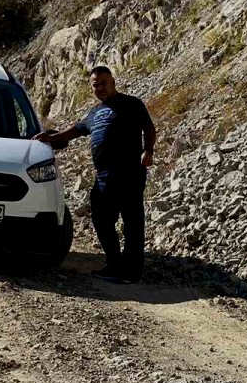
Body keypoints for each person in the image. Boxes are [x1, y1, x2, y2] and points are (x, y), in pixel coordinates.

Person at [34, 66, 156, 283]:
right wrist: (52, 138)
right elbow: (76, 130)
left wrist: (148, 150)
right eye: (95, 84)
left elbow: (148, 127)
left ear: (113, 81)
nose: (100, 87)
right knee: (101, 219)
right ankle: (115, 265)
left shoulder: (131, 104)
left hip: (129, 173)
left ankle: (131, 272)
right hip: (104, 176)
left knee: (132, 221)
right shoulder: (95, 112)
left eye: (103, 83)